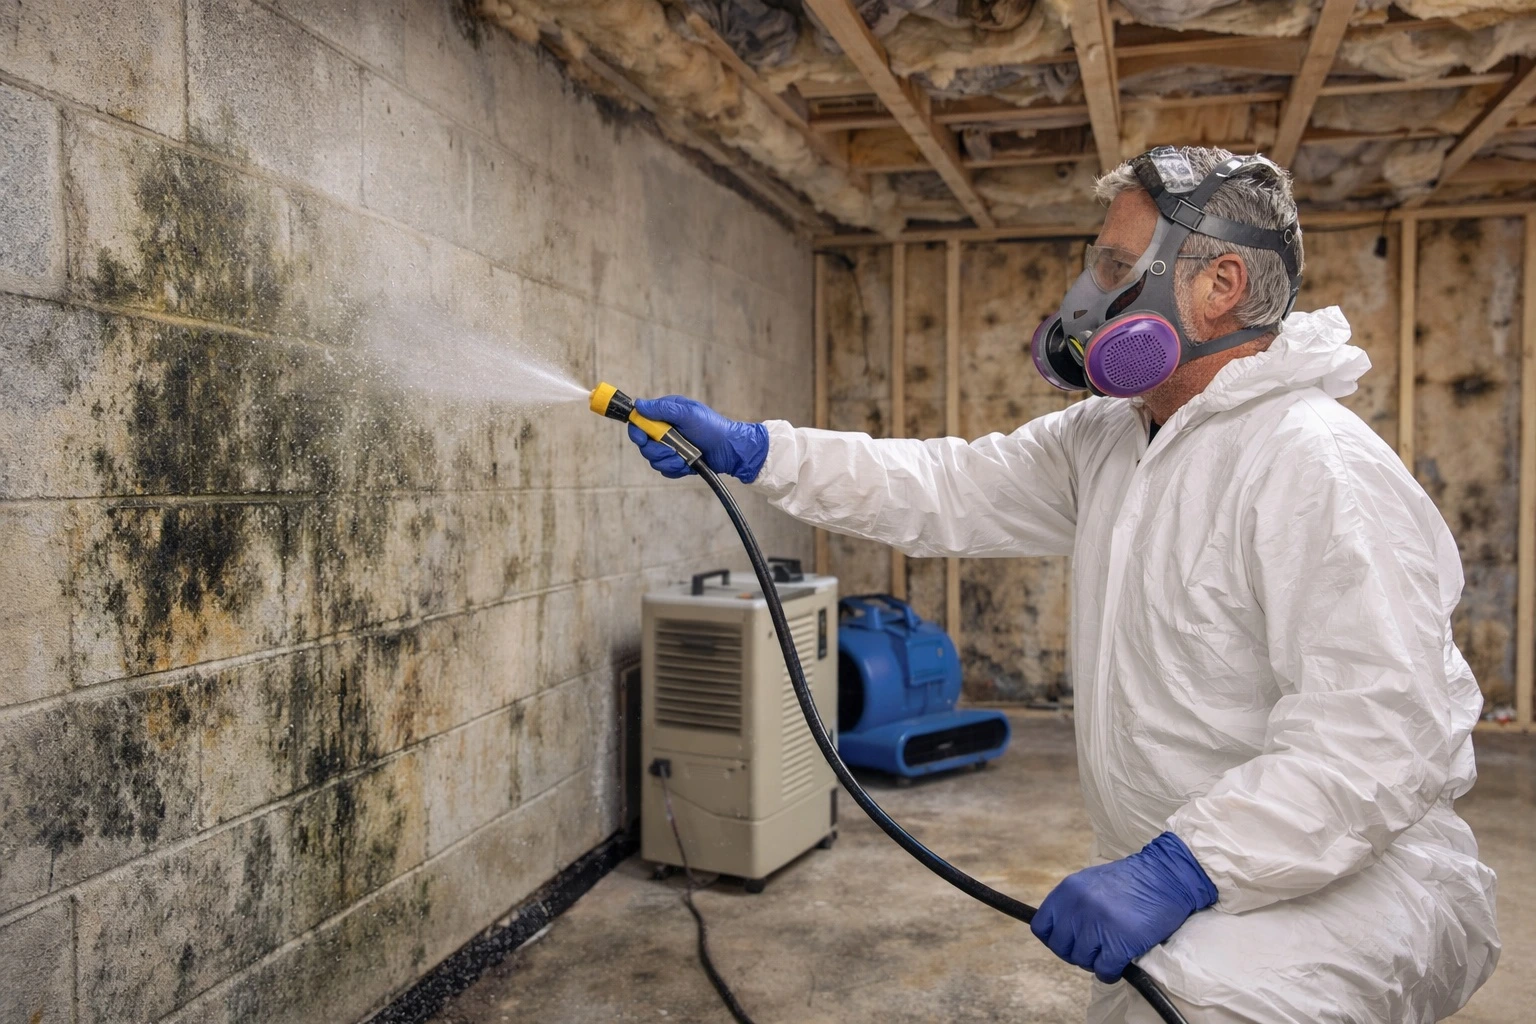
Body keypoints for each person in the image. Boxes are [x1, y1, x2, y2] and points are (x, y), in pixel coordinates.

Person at [627, 145, 1500, 1023]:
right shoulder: (1113, 436)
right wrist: (758, 451)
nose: (1087, 294)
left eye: (1117, 267)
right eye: (1096, 263)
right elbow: (945, 485)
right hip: (1177, 884)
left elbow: (1382, 734)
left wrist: (1187, 866)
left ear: (1220, 284)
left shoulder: (1315, 466)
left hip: (1330, 894)